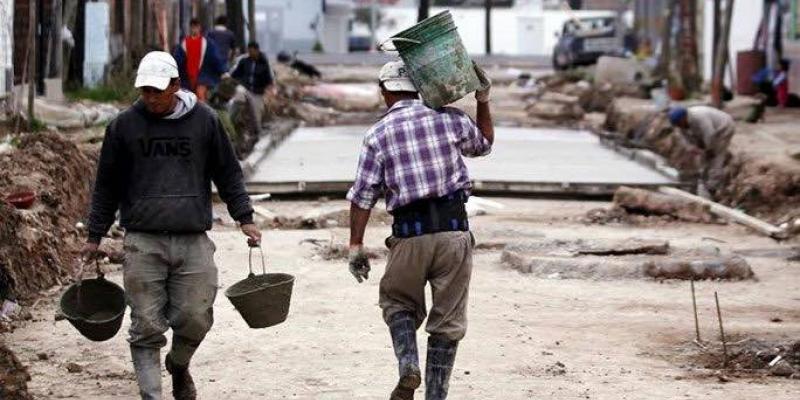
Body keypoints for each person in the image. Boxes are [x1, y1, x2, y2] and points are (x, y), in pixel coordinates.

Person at [81, 51, 261, 400]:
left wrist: (245, 218)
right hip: (142, 242)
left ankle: (178, 364)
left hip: (192, 238)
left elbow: (228, 173)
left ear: (176, 85)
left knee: (196, 317)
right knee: (146, 326)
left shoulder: (205, 122)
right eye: (145, 91)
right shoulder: (123, 127)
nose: (150, 98)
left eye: (157, 91)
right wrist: (94, 235)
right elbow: (107, 185)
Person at [346, 60, 493, 400]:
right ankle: (436, 396)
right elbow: (484, 142)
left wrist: (356, 245)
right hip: (454, 233)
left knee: (398, 303)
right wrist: (483, 99)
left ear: (386, 93)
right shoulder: (449, 118)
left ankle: (408, 363)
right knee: (448, 320)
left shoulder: (377, 134)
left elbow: (363, 195)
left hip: (410, 235)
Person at [668, 106, 736, 198]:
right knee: (704, 159)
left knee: (716, 157)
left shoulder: (699, 117)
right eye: (677, 125)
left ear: (684, 117)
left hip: (723, 128)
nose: (679, 126)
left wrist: (709, 149)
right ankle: (703, 178)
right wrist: (693, 148)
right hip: (706, 133)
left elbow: (710, 134)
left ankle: (712, 187)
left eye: (679, 123)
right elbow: (684, 139)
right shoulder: (680, 124)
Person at [174, 18, 226, 102]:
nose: (194, 29)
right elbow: (178, 60)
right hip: (187, 77)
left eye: (196, 27)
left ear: (200, 28)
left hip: (202, 76)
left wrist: (223, 71)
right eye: (193, 27)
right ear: (190, 28)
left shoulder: (207, 43)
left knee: (200, 97)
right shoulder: (184, 43)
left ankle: (202, 114)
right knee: (188, 100)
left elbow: (215, 58)